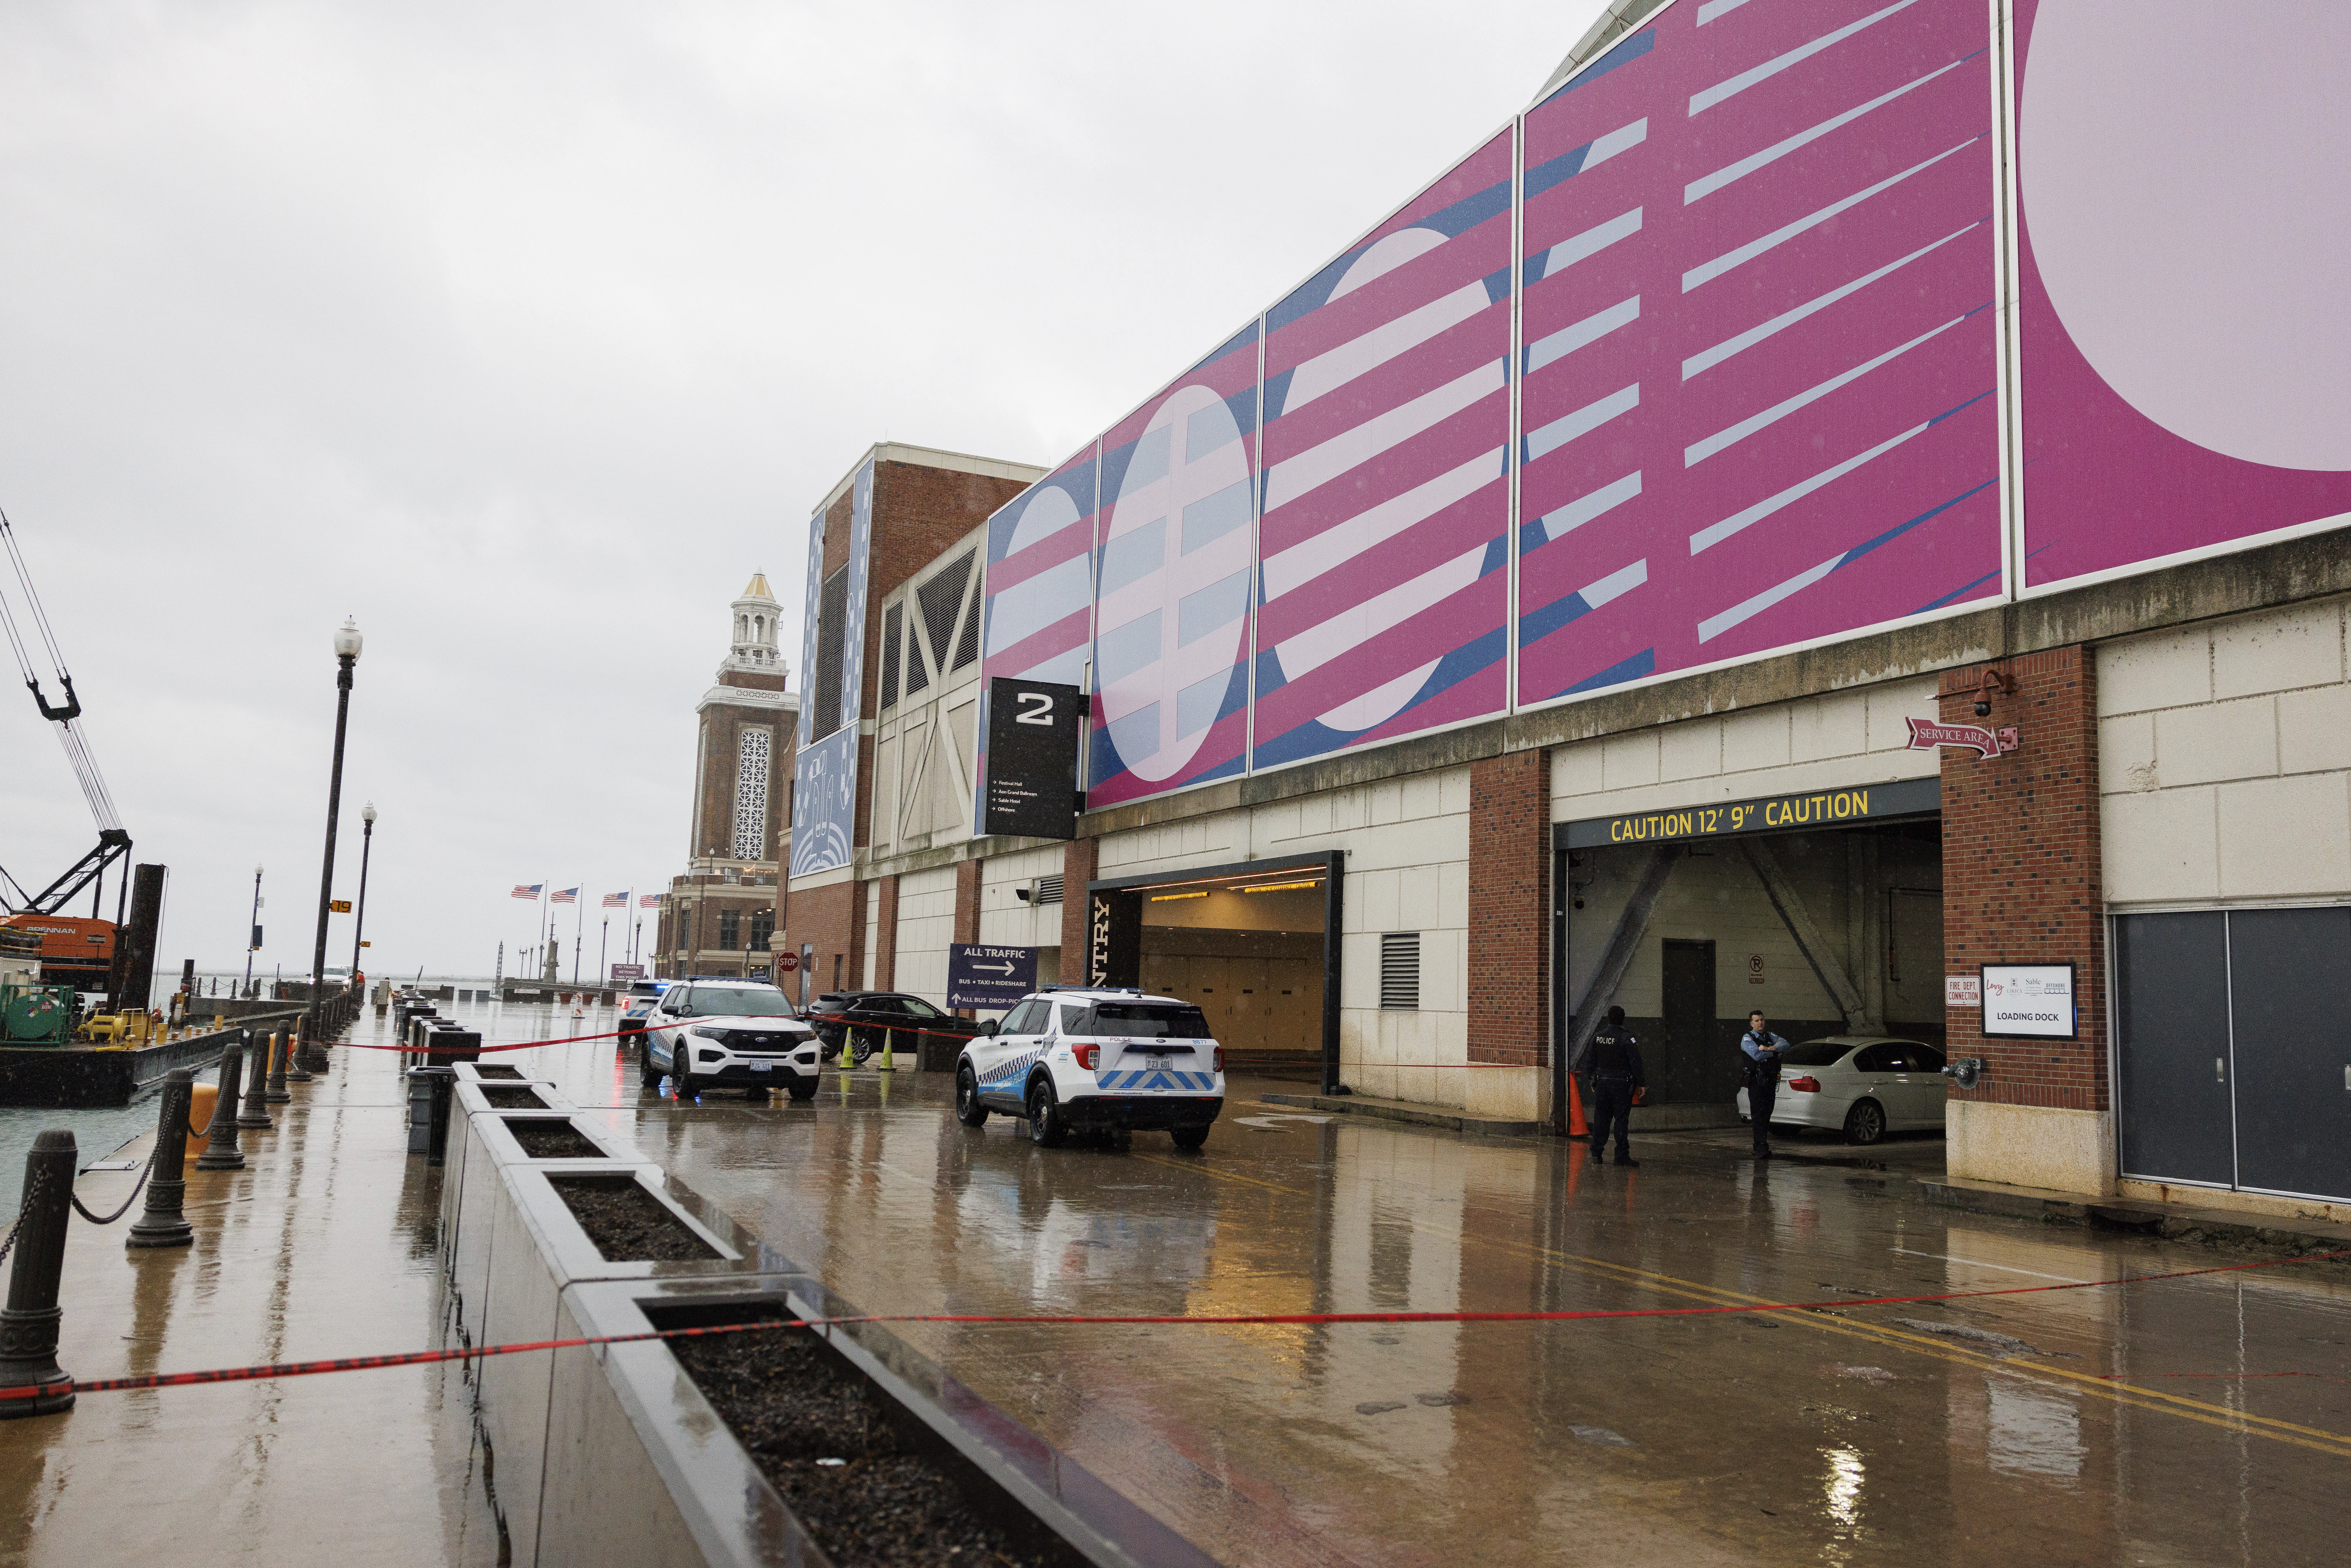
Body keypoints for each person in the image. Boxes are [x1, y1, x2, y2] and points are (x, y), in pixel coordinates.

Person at [1579, 1005, 1646, 1167]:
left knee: (1601, 1120)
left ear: (1609, 1018)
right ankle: (1621, 1156)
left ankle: (1596, 1154)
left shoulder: (1598, 1036)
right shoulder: (1626, 1038)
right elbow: (1636, 1062)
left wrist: (1592, 1079)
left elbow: (1590, 1060)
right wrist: (1642, 1083)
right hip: (1622, 1087)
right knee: (1621, 1121)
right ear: (1623, 1019)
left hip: (1602, 1085)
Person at [1740, 1011, 1788, 1158]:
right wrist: (1775, 1052)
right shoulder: (1748, 1038)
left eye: (1762, 1020)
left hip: (1770, 1081)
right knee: (1758, 1115)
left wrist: (1768, 1049)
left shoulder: (1769, 1036)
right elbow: (1756, 1055)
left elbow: (1786, 1044)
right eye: (1757, 1021)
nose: (1760, 1023)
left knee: (1767, 1113)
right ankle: (1759, 1148)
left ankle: (1763, 1146)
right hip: (1756, 1082)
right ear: (1752, 1024)